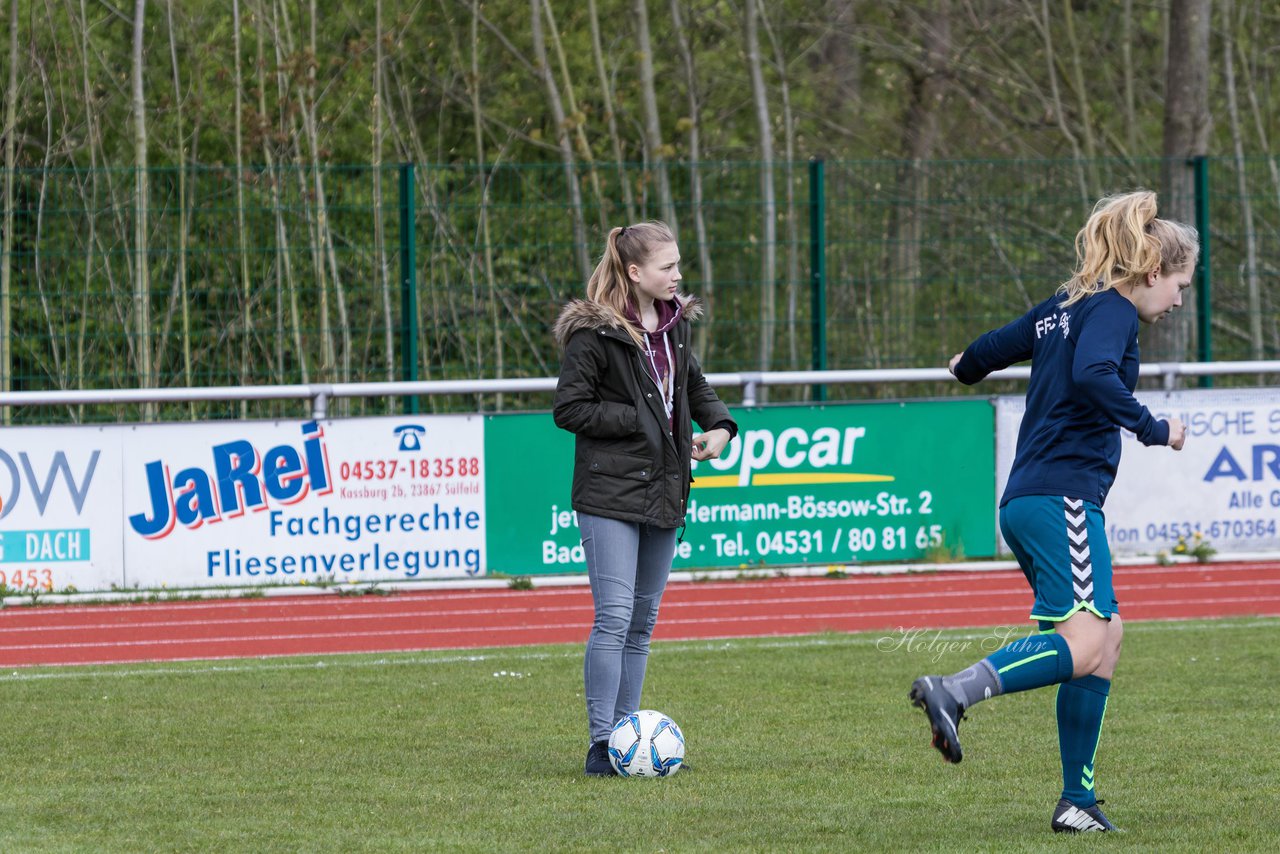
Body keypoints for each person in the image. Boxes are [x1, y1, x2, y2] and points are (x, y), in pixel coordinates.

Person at [908, 190, 1197, 832]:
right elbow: (1098, 375)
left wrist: (964, 365)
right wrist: (1155, 427)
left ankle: (1077, 801)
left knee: (1106, 637)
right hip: (1061, 497)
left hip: (1029, 498)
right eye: (1179, 284)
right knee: (1087, 638)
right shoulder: (1115, 310)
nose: (1178, 300)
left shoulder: (1062, 307)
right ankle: (955, 690)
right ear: (1152, 272)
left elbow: (985, 351)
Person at [553, 221, 737, 777]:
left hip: (665, 490)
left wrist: (722, 426)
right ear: (635, 273)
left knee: (642, 620)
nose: (678, 276)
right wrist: (639, 417)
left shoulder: (675, 326)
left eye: (678, 265)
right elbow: (570, 409)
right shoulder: (593, 335)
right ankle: (601, 743)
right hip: (609, 494)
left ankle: (627, 739)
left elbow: (695, 387)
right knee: (612, 617)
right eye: (667, 267)